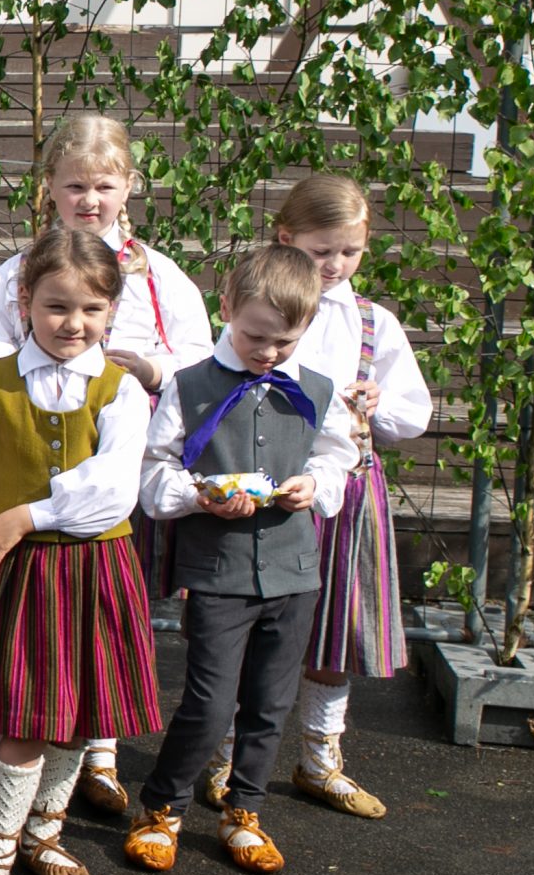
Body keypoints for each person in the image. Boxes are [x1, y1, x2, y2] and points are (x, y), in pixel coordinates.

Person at [0, 112, 212, 817]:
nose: (89, 200)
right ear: (50, 189)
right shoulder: (21, 271)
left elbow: (200, 357)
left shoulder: (157, 275)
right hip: (28, 448)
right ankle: (21, 804)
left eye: (103, 186)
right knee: (32, 642)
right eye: (74, 187)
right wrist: (27, 374)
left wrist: (147, 369)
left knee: (101, 618)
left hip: (124, 456)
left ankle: (100, 753)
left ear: (129, 186)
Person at [182, 175, 430, 821]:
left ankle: (320, 759)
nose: (336, 265)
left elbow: (414, 414)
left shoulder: (373, 322)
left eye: (350, 251)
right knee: (248, 637)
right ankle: (225, 757)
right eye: (323, 251)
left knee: (336, 634)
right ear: (287, 238)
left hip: (339, 492)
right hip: (254, 497)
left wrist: (377, 403)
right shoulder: (257, 311)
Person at [0, 229, 160, 875]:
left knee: (77, 713)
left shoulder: (122, 391)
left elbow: (114, 488)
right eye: (57, 306)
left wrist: (25, 516)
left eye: (91, 309)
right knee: (25, 717)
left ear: (112, 311)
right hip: (22, 575)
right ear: (25, 301)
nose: (74, 323)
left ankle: (44, 833)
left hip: (95, 566)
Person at [127, 246, 359, 875]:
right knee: (208, 703)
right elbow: (154, 470)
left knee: (270, 704)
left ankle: (244, 812)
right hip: (219, 572)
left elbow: (337, 458)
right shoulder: (190, 385)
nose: (268, 353)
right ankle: (162, 808)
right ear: (226, 308)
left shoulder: (317, 389)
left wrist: (315, 484)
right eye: (256, 336)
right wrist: (198, 495)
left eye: (285, 341)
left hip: (294, 571)